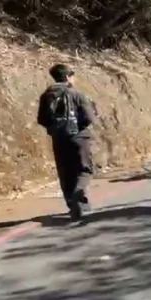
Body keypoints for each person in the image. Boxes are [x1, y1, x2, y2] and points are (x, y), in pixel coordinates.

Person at [36, 64, 97, 221]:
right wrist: (79, 128)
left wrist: (55, 129)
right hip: (79, 137)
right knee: (84, 169)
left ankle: (72, 204)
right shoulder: (76, 94)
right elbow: (88, 117)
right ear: (68, 77)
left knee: (65, 172)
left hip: (58, 138)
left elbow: (41, 119)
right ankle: (79, 193)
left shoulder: (46, 96)